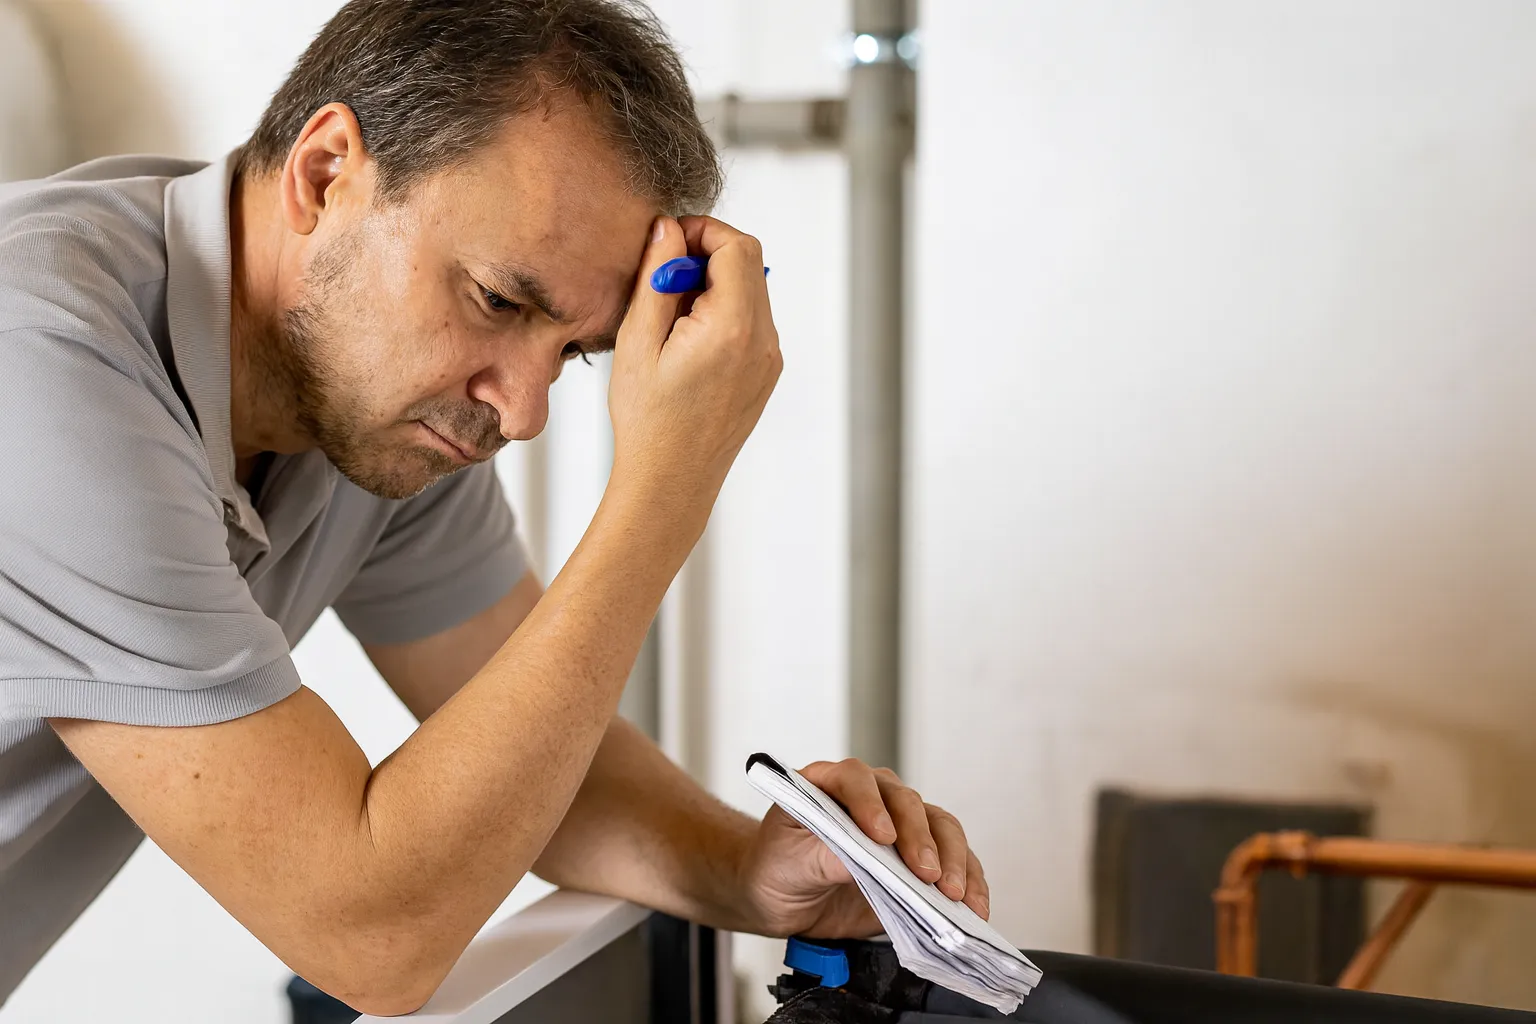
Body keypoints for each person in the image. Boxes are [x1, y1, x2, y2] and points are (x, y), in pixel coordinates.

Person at [0, 0, 989, 1014]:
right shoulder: (38, 359)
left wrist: (744, 870)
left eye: (569, 352)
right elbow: (373, 930)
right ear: (327, 172)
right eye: (498, 302)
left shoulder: (371, 406)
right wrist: (666, 486)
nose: (521, 413)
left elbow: (545, 757)